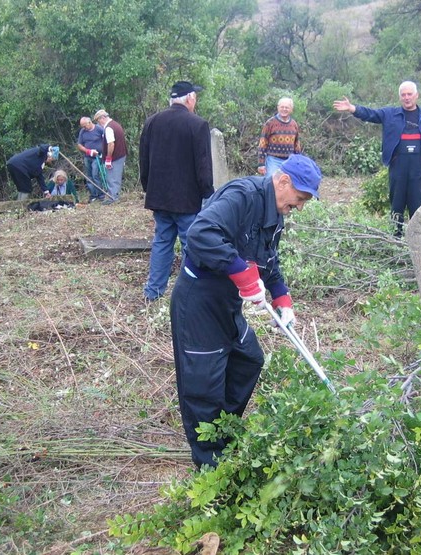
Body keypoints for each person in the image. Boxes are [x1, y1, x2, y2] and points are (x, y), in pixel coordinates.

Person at [170, 153, 322, 468]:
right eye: (300, 197)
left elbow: (268, 257)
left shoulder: (276, 213)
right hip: (199, 302)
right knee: (203, 387)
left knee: (248, 360)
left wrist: (281, 296)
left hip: (226, 303)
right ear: (283, 181)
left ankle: (224, 432)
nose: (301, 206)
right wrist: (240, 270)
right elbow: (200, 235)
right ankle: (209, 466)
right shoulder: (242, 197)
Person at [333, 81, 421, 237]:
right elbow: (370, 114)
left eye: (409, 94)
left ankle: (419, 240)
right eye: (403, 95)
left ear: (416, 95)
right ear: (399, 97)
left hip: (418, 167)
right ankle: (395, 238)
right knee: (397, 203)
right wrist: (352, 108)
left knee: (418, 204)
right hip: (398, 166)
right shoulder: (390, 114)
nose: (406, 98)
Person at [139, 81, 214, 302]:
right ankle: (188, 295)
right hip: (187, 200)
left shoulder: (152, 122)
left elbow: (144, 161)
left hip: (159, 197)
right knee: (192, 246)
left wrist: (148, 187)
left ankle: (153, 293)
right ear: (189, 98)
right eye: (195, 97)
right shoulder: (197, 124)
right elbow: (203, 165)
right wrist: (207, 192)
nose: (195, 101)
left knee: (162, 241)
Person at [257, 97, 302, 178]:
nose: (284, 109)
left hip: (289, 161)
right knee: (271, 183)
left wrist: (298, 161)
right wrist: (261, 163)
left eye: (287, 107)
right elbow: (262, 144)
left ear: (291, 109)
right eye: (282, 107)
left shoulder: (294, 124)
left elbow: (297, 144)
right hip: (273, 161)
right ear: (278, 108)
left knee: (288, 185)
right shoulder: (270, 123)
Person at [93, 109, 128, 204]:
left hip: (115, 156)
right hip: (120, 154)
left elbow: (111, 144)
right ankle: (114, 196)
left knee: (112, 177)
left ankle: (113, 198)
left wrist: (108, 158)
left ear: (102, 118)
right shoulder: (115, 124)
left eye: (98, 120)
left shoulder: (109, 128)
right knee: (115, 176)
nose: (98, 123)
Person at [76, 117, 105, 202]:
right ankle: (93, 195)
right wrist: (88, 151)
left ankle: (101, 194)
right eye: (82, 126)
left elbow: (106, 141)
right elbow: (79, 145)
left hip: (97, 156)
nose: (84, 128)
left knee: (95, 174)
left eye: (85, 126)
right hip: (87, 156)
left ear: (89, 122)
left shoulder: (99, 129)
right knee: (89, 176)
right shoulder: (82, 131)